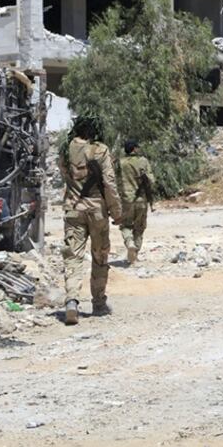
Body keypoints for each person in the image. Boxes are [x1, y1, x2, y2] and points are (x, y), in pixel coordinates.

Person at [59, 115, 122, 326]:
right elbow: (109, 183)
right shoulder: (100, 150)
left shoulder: (65, 149)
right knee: (100, 256)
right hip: (97, 210)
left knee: (73, 257)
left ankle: (71, 302)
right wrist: (116, 210)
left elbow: (65, 177)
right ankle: (99, 303)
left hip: (73, 209)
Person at [118, 139, 155, 264]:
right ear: (134, 149)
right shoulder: (143, 161)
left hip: (126, 200)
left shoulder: (120, 163)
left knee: (125, 225)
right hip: (141, 199)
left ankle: (129, 243)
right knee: (139, 227)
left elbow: (114, 181)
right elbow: (151, 181)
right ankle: (135, 253)